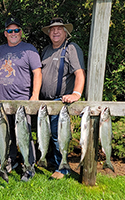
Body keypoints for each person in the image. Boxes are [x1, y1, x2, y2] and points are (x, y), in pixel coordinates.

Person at [0, 17, 42, 182]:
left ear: (21, 32)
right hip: (3, 101)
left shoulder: (29, 49)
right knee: (7, 135)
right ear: (5, 33)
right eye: (10, 31)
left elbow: (37, 72)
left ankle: (29, 166)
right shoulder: (0, 50)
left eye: (16, 30)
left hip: (22, 100)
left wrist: (35, 95)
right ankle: (10, 162)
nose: (13, 33)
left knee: (25, 134)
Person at [40, 17, 86, 179]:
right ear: (49, 33)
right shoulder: (46, 50)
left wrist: (76, 94)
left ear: (66, 32)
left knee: (59, 135)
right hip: (45, 103)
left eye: (59, 29)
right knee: (48, 134)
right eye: (52, 29)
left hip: (60, 102)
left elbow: (79, 73)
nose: (56, 31)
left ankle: (63, 168)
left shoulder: (71, 48)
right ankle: (53, 161)